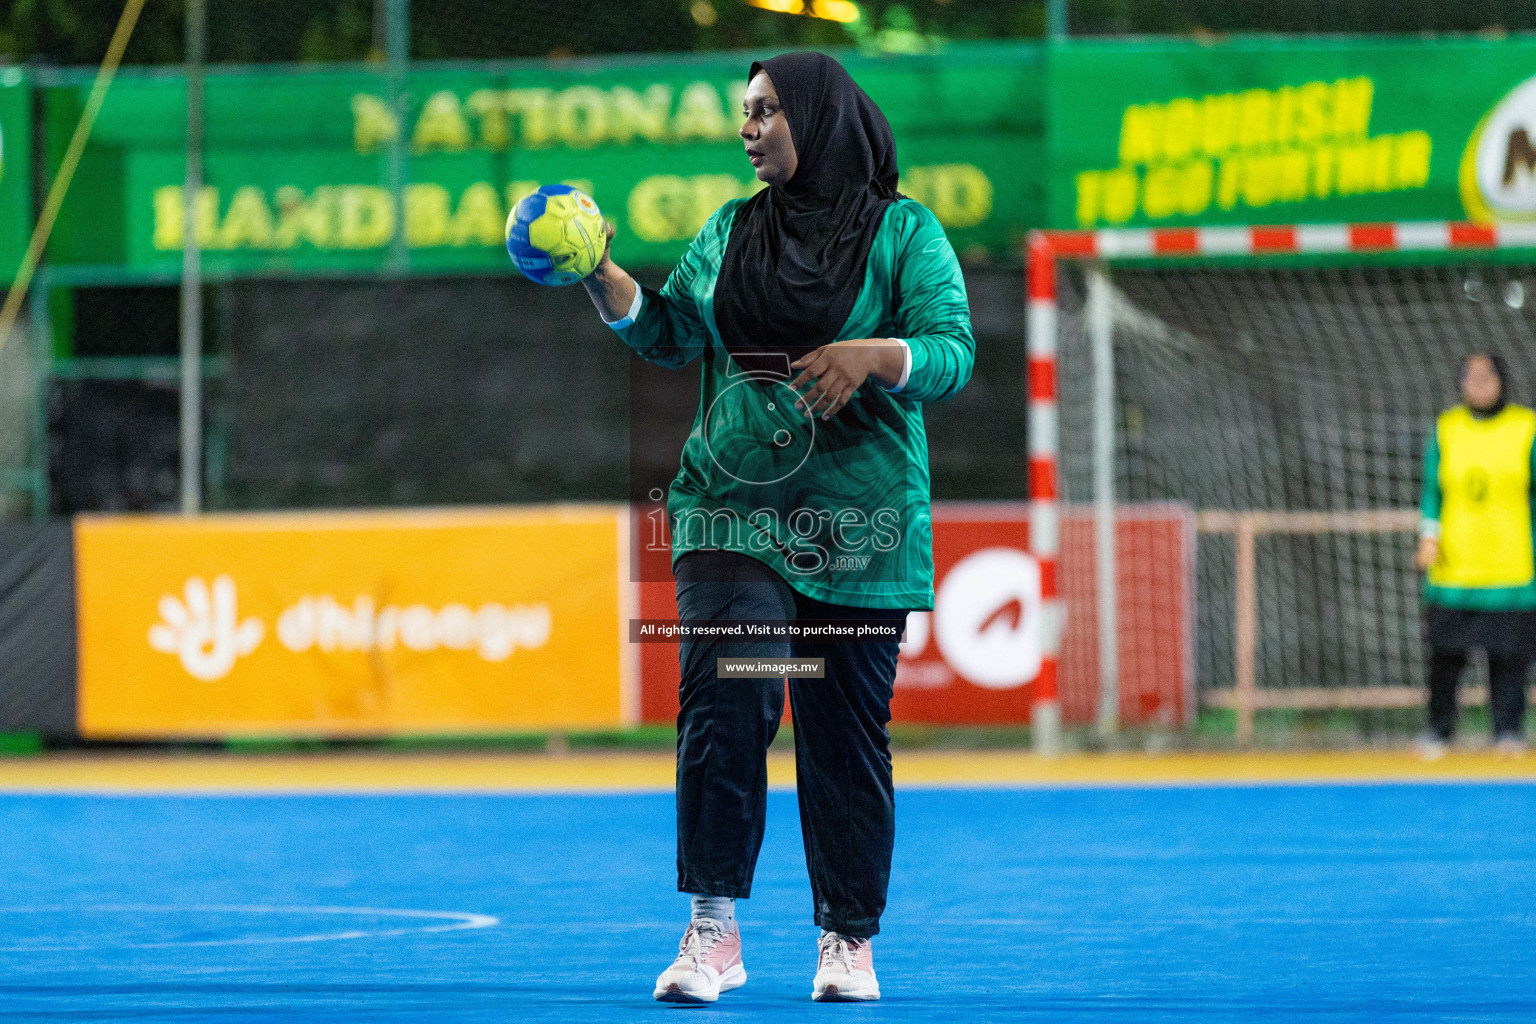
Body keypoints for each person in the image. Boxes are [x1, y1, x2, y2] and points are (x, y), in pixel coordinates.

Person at [581, 52, 973, 1002]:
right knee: (730, 700)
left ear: (819, 117)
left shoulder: (903, 234)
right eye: (743, 114)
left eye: (765, 111)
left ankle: (848, 939)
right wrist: (595, 271)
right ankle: (712, 930)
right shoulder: (730, 231)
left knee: (842, 735)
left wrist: (872, 355)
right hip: (731, 511)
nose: (748, 128)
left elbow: (953, 354)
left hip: (860, 526)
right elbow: (671, 330)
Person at [1414, 353, 1536, 759]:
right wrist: (1429, 534)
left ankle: (1507, 732)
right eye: (1471, 375)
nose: (1479, 382)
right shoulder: (1447, 428)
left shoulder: (1526, 427)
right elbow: (1433, 491)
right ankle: (1439, 730)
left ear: (1502, 379)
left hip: (1511, 566)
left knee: (1509, 658)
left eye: (1487, 375)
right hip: (1455, 568)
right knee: (1445, 657)